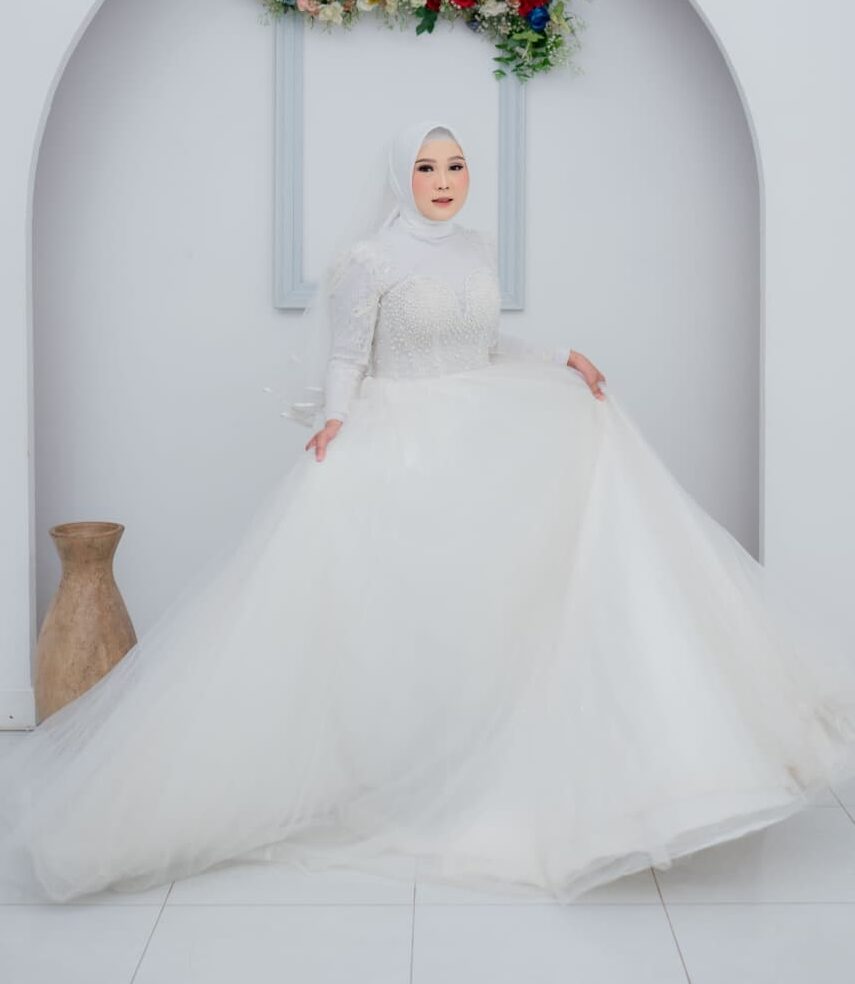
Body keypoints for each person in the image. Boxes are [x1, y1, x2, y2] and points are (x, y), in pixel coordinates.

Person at [2, 118, 855, 906]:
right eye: (425, 167)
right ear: (399, 177)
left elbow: (481, 346)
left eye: (455, 165)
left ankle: (589, 766)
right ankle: (398, 778)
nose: (443, 181)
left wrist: (560, 355)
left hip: (480, 430)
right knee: (389, 625)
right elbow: (348, 355)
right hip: (401, 439)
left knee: (562, 538)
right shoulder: (369, 259)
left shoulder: (476, 247)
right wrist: (336, 422)